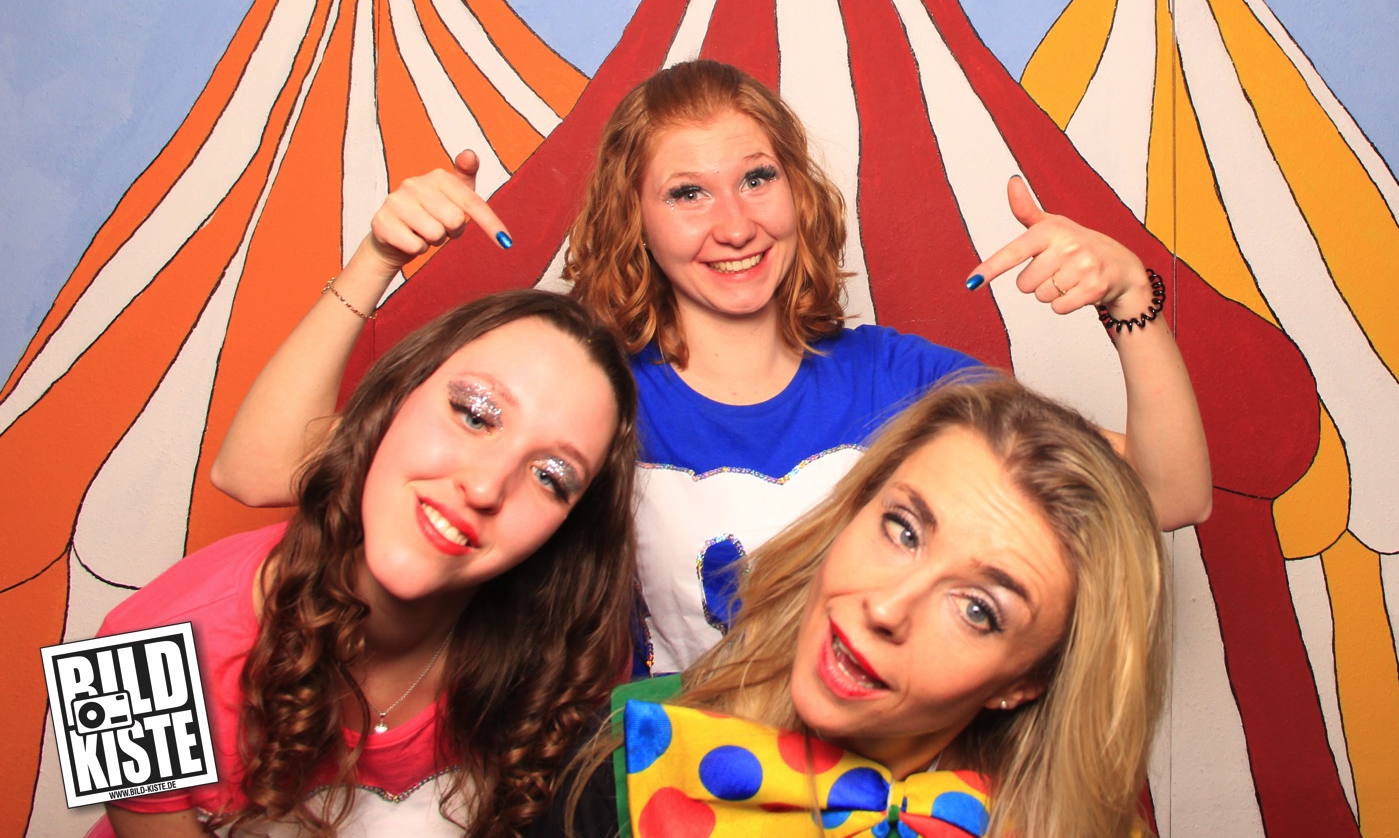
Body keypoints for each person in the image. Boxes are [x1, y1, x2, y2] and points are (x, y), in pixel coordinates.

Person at [213, 59, 1209, 674]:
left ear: (799, 194)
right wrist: (374, 260)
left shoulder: (903, 384)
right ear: (634, 220)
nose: (733, 225)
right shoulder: (589, 398)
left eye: (756, 179)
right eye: (687, 193)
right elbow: (257, 470)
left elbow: (1169, 495)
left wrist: (1130, 301)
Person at [97, 290, 639, 838]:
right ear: (395, 398)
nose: (484, 487)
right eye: (475, 415)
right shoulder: (124, 659)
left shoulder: (569, 659)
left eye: (550, 476)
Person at [537, 376, 1170, 838]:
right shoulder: (629, 757)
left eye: (978, 609)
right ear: (853, 511)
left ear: (1025, 681)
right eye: (903, 530)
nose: (888, 609)